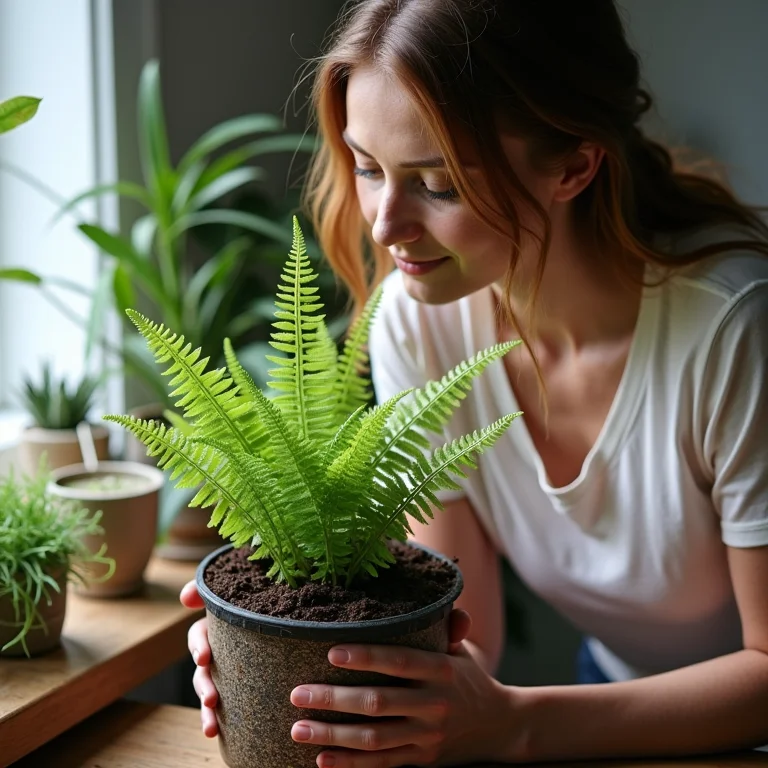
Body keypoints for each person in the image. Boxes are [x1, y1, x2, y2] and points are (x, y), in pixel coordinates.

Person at [180, 0, 768, 765]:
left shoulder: (734, 332)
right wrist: (282, 664)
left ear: (574, 166)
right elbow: (469, 642)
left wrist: (517, 724)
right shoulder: (422, 319)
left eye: (439, 183)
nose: (386, 225)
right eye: (367, 167)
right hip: (610, 702)